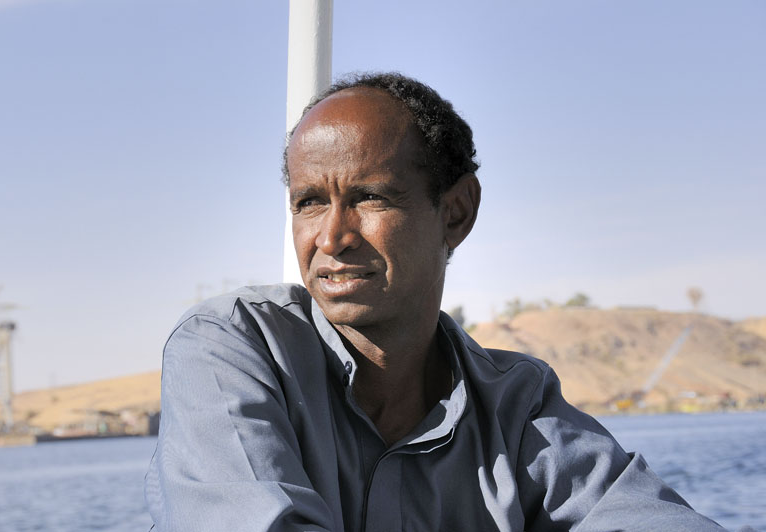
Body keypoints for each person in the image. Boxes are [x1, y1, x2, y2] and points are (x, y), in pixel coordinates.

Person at [146, 72, 752, 532]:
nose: (330, 238)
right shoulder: (230, 349)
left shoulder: (517, 404)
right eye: (308, 202)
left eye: (370, 197)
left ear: (456, 212)